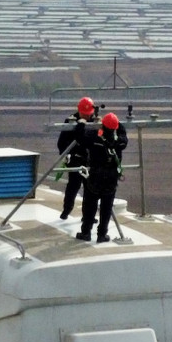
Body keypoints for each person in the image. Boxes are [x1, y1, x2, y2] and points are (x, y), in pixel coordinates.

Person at [78, 112, 127, 243]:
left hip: (95, 177)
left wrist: (82, 123)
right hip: (111, 179)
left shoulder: (95, 139)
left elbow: (80, 138)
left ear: (103, 127)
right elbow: (122, 131)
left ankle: (86, 233)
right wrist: (114, 122)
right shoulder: (120, 142)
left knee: (90, 207)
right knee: (106, 208)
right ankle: (102, 235)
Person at [56, 96, 97, 220]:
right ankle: (66, 210)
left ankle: (88, 215)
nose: (86, 116)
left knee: (90, 189)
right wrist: (68, 155)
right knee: (73, 186)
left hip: (90, 160)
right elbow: (61, 143)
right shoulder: (70, 121)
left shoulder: (96, 122)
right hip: (75, 159)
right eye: (83, 114)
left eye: (88, 114)